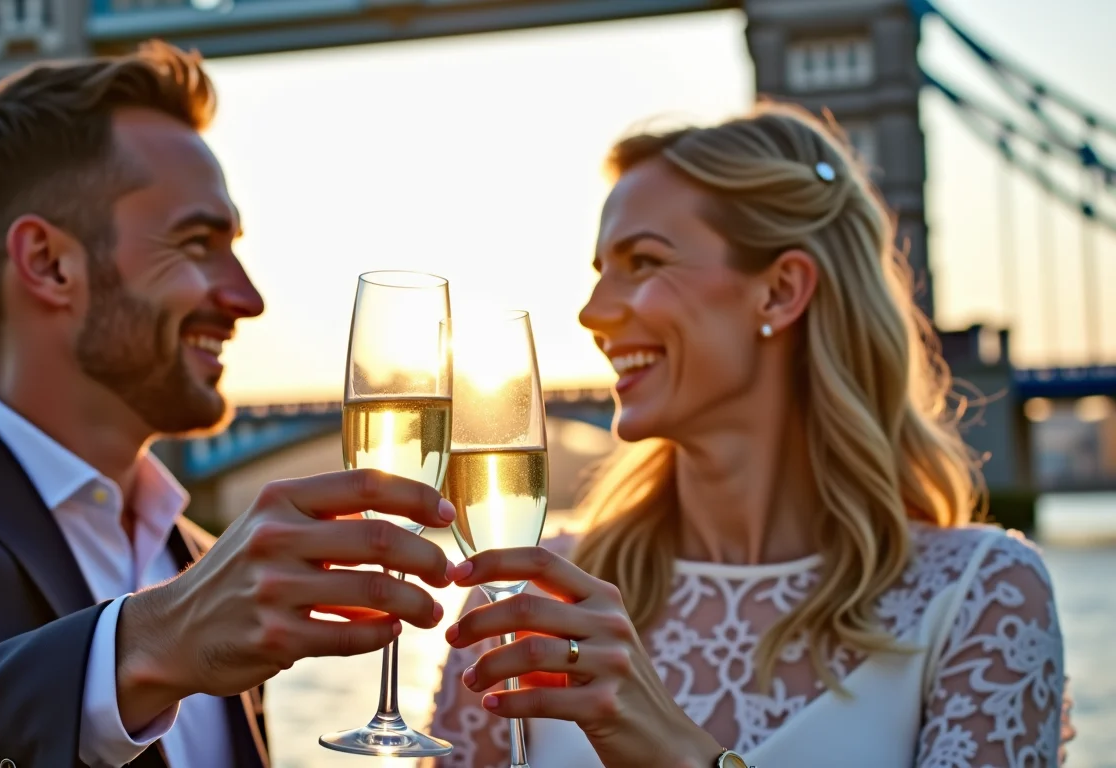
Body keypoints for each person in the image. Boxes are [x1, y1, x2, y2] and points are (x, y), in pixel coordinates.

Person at [0, 42, 461, 768]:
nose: (247, 299)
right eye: (198, 243)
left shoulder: (198, 557)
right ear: (50, 264)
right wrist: (139, 650)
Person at [426, 103, 1071, 767]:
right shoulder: (528, 602)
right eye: (599, 272)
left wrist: (683, 758)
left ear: (781, 291)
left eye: (643, 262)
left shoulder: (980, 597)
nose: (593, 313)